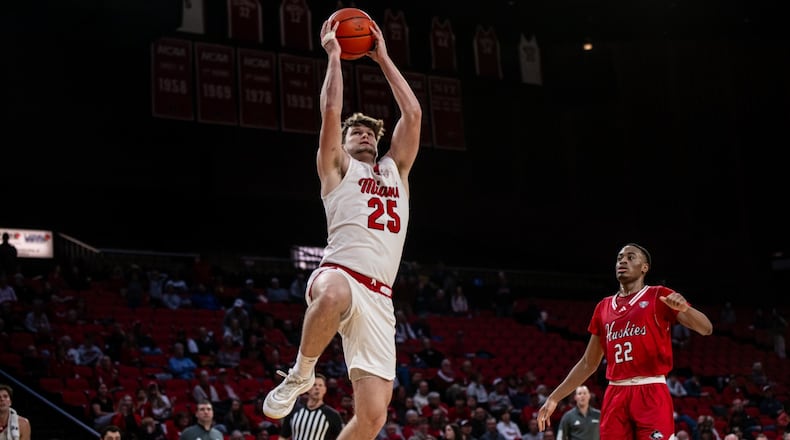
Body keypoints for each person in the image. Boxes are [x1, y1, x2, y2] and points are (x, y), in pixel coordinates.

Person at [262, 9, 422, 440]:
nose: (364, 135)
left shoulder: (396, 171)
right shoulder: (336, 169)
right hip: (340, 273)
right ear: (343, 145)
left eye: (370, 133)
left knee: (373, 416)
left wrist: (382, 57)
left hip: (380, 296)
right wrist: (334, 55)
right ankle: (301, 373)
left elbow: (413, 113)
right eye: (356, 133)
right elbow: (331, 110)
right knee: (332, 293)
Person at [536, 243, 713, 439]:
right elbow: (588, 363)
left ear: (644, 267)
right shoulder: (603, 307)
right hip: (616, 393)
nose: (623, 261)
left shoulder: (658, 295)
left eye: (630, 257)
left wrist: (686, 309)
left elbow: (706, 329)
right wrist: (554, 398)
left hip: (651, 390)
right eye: (620, 258)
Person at [279, 374, 343, 440]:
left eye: (320, 385)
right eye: (314, 385)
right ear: (308, 389)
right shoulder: (294, 411)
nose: (317, 388)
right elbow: (283, 436)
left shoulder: (332, 414)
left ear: (325, 389)